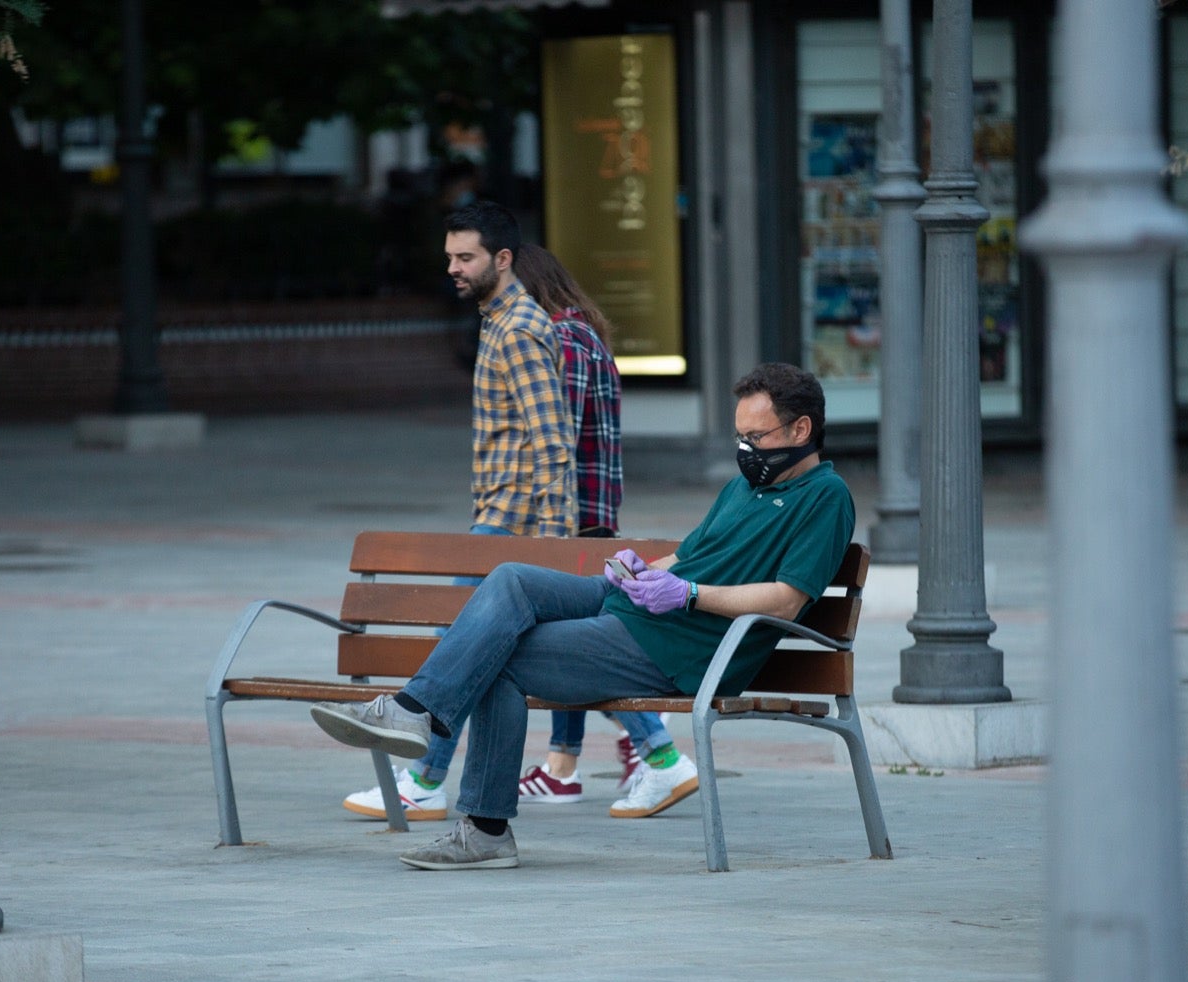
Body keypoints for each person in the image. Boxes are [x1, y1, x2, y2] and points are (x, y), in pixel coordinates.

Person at [309, 363, 856, 870]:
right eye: (740, 436)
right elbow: (690, 554)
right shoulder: (746, 486)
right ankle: (413, 713)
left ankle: (483, 827)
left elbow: (786, 600)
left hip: (682, 647)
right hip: (640, 609)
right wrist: (642, 570)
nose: (744, 449)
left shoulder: (825, 497)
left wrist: (687, 595)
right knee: (511, 578)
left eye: (755, 438)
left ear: (800, 430)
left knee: (499, 659)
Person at [337, 206, 695, 824]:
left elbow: (554, 441)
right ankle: (649, 757)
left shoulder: (530, 330)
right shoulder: (511, 325)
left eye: (465, 257)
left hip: (517, 523)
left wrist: (552, 540)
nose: (452, 268)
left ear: (505, 262)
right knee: (497, 643)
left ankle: (425, 775)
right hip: (513, 518)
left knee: (463, 636)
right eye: (449, 257)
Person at [507, 242, 685, 805]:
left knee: (574, 644)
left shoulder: (561, 338)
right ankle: (563, 765)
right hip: (591, 514)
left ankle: (656, 746)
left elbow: (556, 437)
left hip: (571, 518)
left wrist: (537, 516)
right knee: (570, 638)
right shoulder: (583, 332)